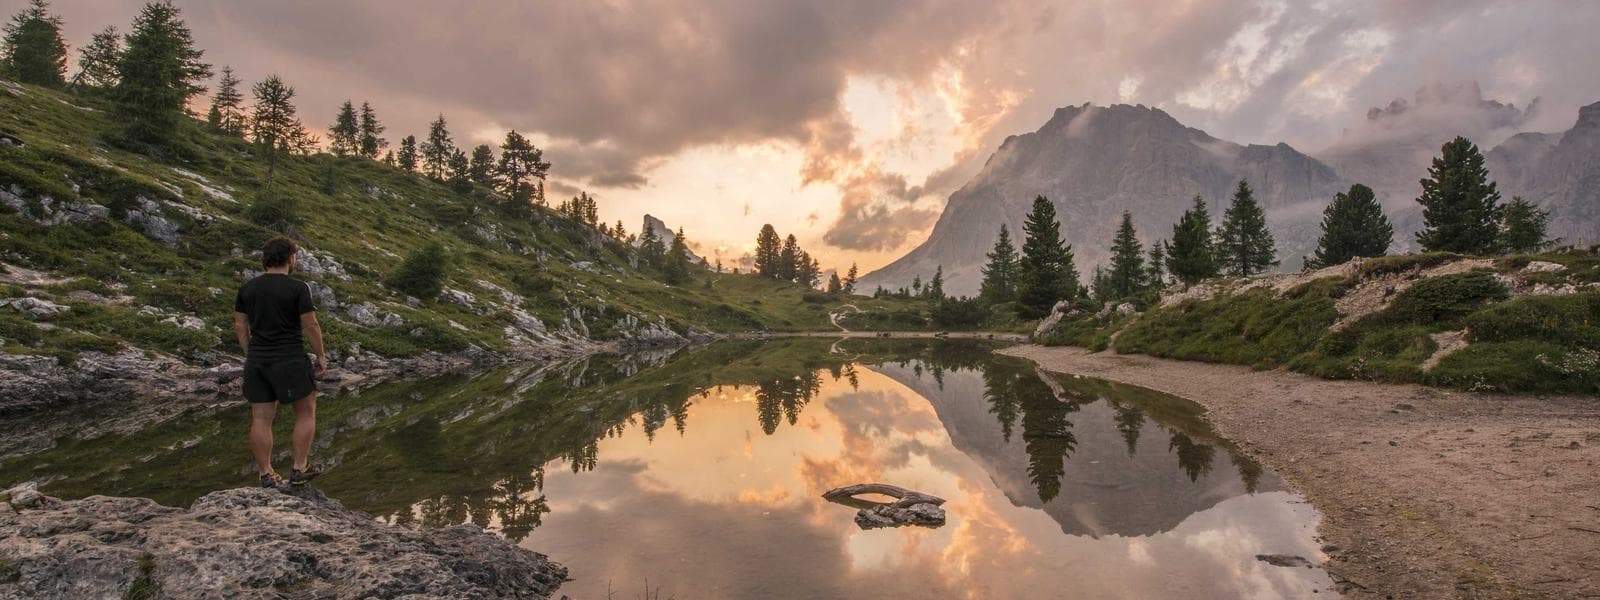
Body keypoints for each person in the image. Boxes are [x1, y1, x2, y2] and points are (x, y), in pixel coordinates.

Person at [233, 237, 327, 487]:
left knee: (261, 418)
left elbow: (240, 325)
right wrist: (320, 355)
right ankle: (299, 468)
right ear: (290, 258)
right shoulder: (297, 288)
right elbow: (310, 324)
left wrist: (249, 353)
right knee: (306, 413)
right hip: (290, 358)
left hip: (258, 360)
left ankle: (265, 473)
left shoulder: (247, 288)